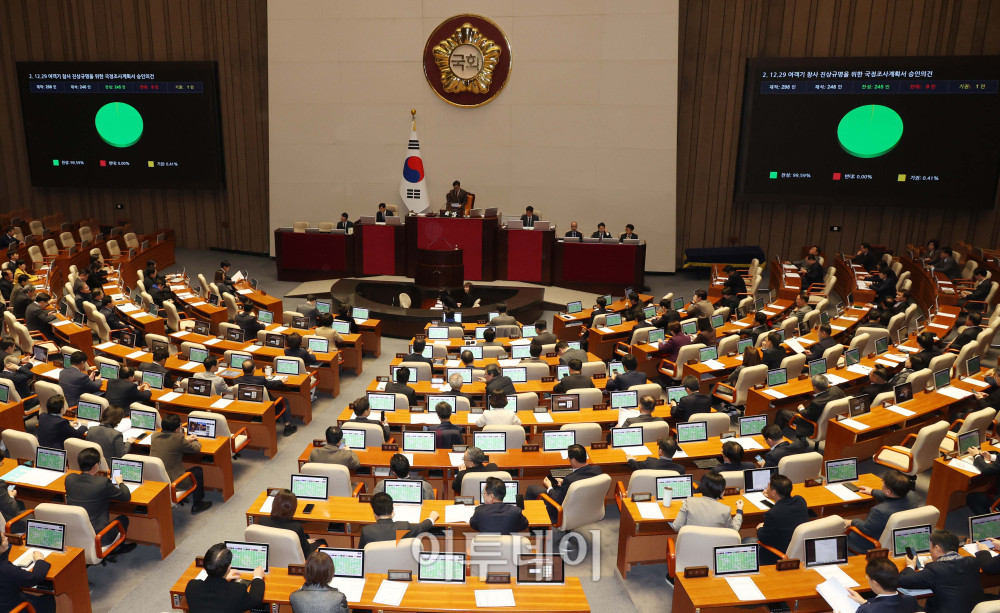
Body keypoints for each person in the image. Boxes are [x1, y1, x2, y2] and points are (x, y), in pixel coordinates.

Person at [64, 448, 136, 554]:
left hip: (76, 533)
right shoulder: (102, 483)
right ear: (96, 465)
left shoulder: (69, 479)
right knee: (124, 519)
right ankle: (116, 549)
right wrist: (120, 482)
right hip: (100, 537)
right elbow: (126, 496)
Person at [897, 529, 983, 613]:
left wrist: (910, 565)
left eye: (930, 547)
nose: (930, 550)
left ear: (937, 548)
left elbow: (903, 580)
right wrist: (936, 563)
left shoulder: (935, 569)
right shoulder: (972, 561)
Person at [151, 414, 212, 514]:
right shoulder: (178, 439)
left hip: (158, 479)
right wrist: (195, 439)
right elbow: (196, 449)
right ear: (177, 429)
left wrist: (185, 440)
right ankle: (198, 504)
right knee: (198, 471)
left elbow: (171, 442)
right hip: (174, 482)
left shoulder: (154, 436)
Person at [846, 469, 919, 553]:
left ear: (888, 491)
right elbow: (891, 496)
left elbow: (866, 529)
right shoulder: (912, 495)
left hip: (871, 543)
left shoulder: (879, 511)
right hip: (899, 538)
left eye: (883, 483)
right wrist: (872, 491)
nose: (882, 484)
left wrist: (852, 521)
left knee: (843, 526)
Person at [526, 444, 602, 522]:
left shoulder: (570, 480)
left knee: (531, 489)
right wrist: (563, 482)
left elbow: (557, 500)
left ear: (574, 460)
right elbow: (581, 479)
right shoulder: (597, 470)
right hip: (587, 507)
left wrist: (549, 487)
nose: (569, 461)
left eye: (569, 459)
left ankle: (530, 522)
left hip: (564, 511)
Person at [185, 543, 265, 613]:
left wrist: (224, 577)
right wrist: (258, 577)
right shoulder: (237, 591)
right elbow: (256, 600)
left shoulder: (191, 586)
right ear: (229, 568)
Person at [753, 474, 809, 564]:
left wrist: (760, 528)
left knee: (747, 540)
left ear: (774, 492)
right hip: (800, 550)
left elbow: (763, 538)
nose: (766, 489)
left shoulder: (772, 514)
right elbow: (784, 509)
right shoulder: (800, 501)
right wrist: (772, 497)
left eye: (768, 487)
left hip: (777, 555)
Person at [234, 360, 297, 435]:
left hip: (248, 406)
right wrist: (281, 381)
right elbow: (271, 384)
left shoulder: (236, 381)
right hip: (267, 407)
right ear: (254, 369)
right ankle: (288, 427)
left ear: (242, 369)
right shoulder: (260, 379)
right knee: (284, 400)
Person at [775, 374, 845, 441]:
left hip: (812, 423)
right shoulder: (837, 390)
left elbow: (806, 415)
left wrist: (801, 408)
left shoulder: (816, 403)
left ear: (815, 387)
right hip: (832, 421)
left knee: (781, 412)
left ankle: (775, 437)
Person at [260, 489, 326, 557]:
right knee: (322, 541)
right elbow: (305, 550)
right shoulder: (296, 527)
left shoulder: (262, 521)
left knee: (306, 536)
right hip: (294, 557)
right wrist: (306, 542)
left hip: (271, 555)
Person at [359, 492, 438, 548]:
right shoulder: (404, 527)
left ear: (374, 514)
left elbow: (362, 552)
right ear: (392, 511)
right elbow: (421, 527)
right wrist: (432, 518)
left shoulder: (367, 531)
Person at [0, 531, 54, 613]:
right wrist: (40, 560)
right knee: (50, 600)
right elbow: (35, 578)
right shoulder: (6, 569)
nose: (7, 538)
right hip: (15, 608)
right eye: (3, 539)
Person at [671, 472, 743, 531]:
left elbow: (676, 527)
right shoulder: (725, 510)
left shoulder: (688, 502)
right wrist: (739, 511)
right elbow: (733, 531)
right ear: (722, 491)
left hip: (690, 544)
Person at [844, 557, 919, 613]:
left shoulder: (865, 610)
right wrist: (864, 602)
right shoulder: (910, 600)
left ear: (875, 583)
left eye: (868, 577)